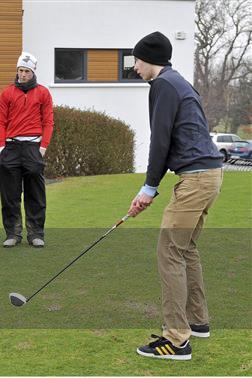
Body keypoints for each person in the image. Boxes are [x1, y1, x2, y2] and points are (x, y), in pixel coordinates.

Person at [128, 31, 223, 360]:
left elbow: (161, 140)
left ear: (149, 59)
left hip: (196, 178)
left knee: (169, 252)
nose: (134, 66)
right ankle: (198, 322)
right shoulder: (178, 81)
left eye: (136, 60)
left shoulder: (163, 85)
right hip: (209, 176)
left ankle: (176, 340)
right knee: (186, 250)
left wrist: (148, 188)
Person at [0, 51, 54, 248]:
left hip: (33, 147)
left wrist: (43, 146)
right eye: (20, 70)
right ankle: (12, 233)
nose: (22, 75)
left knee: (35, 194)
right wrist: (2, 146)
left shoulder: (43, 93)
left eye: (26, 71)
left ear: (33, 72)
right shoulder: (7, 92)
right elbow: (1, 121)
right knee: (9, 194)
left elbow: (48, 121)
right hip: (11, 147)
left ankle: (36, 233)